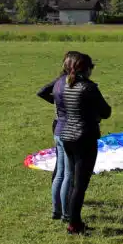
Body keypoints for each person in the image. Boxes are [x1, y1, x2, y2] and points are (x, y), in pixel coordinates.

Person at [37, 51, 112, 234]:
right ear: (86, 69)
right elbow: (106, 112)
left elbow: (55, 101)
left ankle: (63, 213)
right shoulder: (88, 87)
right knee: (79, 184)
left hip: (64, 135)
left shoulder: (59, 83)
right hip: (83, 137)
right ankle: (74, 223)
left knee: (66, 175)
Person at [37, 51, 77, 223]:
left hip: (58, 126)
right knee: (67, 172)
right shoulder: (66, 81)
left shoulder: (59, 82)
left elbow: (42, 91)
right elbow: (42, 92)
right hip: (67, 126)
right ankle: (66, 211)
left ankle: (56, 209)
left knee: (60, 171)